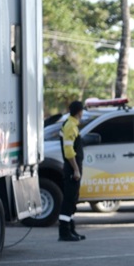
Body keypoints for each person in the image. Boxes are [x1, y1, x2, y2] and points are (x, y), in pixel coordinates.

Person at [58, 100, 87, 242]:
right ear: (79, 112)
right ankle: (64, 232)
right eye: (82, 111)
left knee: (73, 200)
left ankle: (71, 229)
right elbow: (69, 151)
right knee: (69, 200)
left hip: (73, 168)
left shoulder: (72, 125)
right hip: (71, 169)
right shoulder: (70, 126)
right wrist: (75, 169)